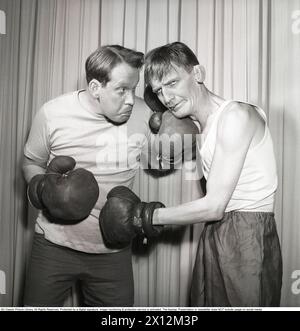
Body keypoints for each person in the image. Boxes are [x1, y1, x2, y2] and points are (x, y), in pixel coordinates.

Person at [99, 41, 282, 307]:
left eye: (172, 83)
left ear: (197, 74)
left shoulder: (236, 116)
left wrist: (147, 216)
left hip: (247, 234)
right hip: (215, 232)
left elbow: (214, 206)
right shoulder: (201, 128)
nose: (167, 97)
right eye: (159, 91)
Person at [22, 45, 151, 307]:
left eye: (134, 89)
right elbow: (30, 162)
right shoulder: (53, 113)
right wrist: (42, 189)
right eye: (121, 90)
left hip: (113, 252)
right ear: (95, 87)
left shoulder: (144, 114)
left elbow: (162, 161)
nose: (130, 100)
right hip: (53, 246)